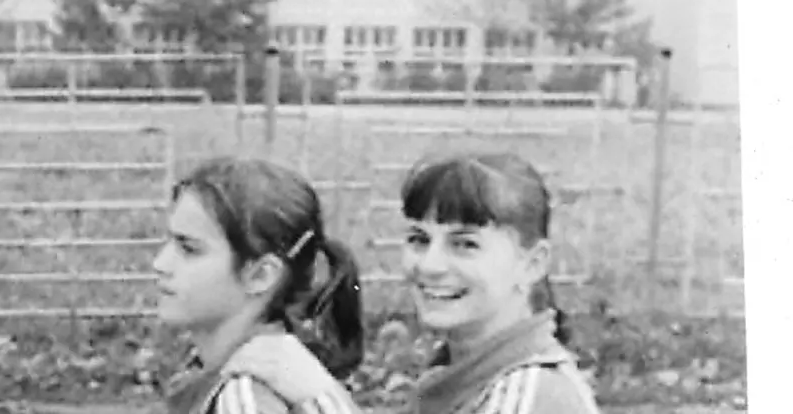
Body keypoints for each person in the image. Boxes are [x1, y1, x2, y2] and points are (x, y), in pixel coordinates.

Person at [154, 157, 365, 414]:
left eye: (189, 249)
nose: (160, 263)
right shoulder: (211, 373)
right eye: (169, 242)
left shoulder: (244, 399)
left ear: (261, 276)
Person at [399, 152, 601, 414]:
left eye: (465, 244)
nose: (430, 265)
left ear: (533, 264)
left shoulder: (526, 398)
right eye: (419, 239)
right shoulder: (455, 379)